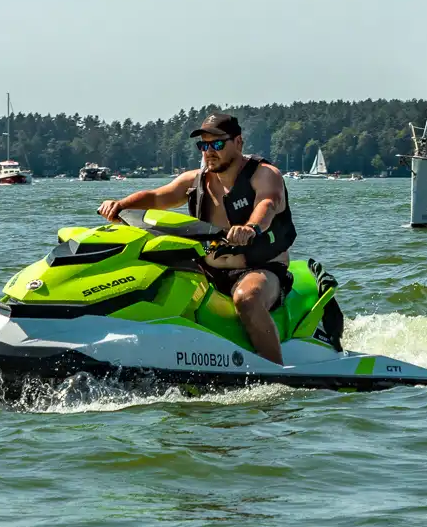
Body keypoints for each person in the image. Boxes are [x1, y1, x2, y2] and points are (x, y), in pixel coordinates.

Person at [97, 113, 296, 364]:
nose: (209, 151)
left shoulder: (264, 174)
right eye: (203, 145)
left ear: (238, 142)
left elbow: (268, 203)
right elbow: (157, 197)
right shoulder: (195, 180)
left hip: (261, 268)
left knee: (247, 298)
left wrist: (250, 228)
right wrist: (120, 205)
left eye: (217, 144)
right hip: (209, 269)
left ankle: (275, 371)